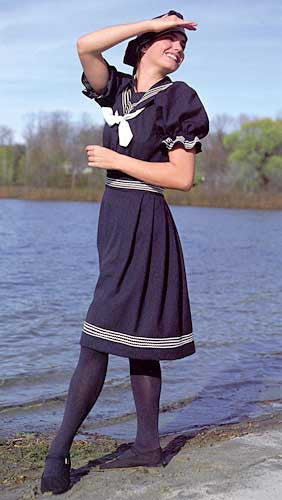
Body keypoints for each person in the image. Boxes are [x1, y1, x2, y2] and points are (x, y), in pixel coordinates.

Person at [41, 10, 209, 494]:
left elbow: (182, 178)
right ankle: (148, 446)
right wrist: (149, 21)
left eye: (182, 43)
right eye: (169, 40)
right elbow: (85, 45)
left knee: (97, 335)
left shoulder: (181, 99)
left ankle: (58, 452)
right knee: (135, 332)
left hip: (147, 219)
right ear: (143, 44)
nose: (178, 47)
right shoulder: (116, 89)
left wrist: (118, 159)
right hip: (113, 216)